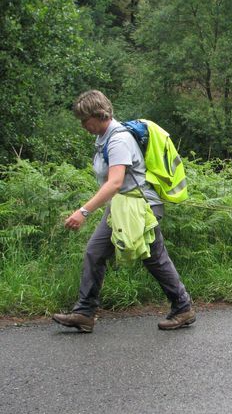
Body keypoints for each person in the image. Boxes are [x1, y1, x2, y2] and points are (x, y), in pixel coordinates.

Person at [53, 90, 195, 333]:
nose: (83, 125)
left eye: (84, 120)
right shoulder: (104, 139)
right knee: (96, 251)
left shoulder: (118, 140)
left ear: (98, 115)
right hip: (123, 207)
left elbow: (115, 182)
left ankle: (183, 307)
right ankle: (84, 312)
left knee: (153, 257)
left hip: (139, 207)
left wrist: (83, 211)